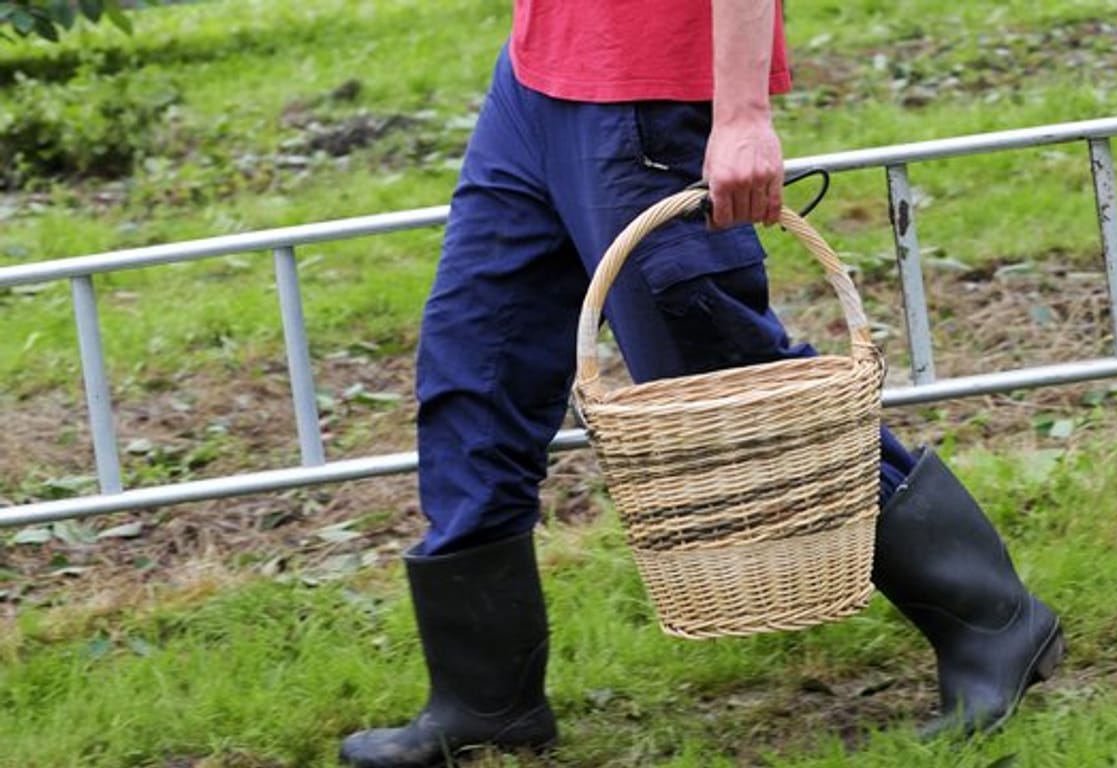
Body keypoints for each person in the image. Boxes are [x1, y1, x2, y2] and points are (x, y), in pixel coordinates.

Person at [339, 2, 1064, 765]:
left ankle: (991, 617)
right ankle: (484, 698)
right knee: (472, 371)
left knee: (726, 392)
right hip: (535, 74)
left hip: (646, 82)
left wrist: (743, 113)